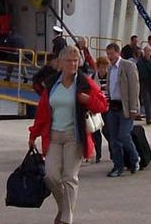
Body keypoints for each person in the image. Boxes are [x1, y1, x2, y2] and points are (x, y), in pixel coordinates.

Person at [28, 45, 108, 224]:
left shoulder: (84, 83)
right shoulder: (51, 84)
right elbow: (42, 113)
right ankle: (64, 209)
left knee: (69, 177)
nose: (73, 64)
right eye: (69, 61)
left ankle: (66, 219)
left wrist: (88, 100)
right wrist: (33, 135)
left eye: (76, 61)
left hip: (75, 136)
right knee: (51, 176)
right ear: (60, 63)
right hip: (54, 136)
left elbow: (103, 106)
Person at [104, 42, 141, 176]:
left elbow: (134, 87)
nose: (109, 56)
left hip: (125, 107)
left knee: (124, 135)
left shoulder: (128, 66)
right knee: (114, 139)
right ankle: (118, 166)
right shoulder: (110, 68)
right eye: (108, 54)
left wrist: (134, 108)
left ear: (118, 53)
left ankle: (135, 158)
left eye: (111, 53)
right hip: (113, 107)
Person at [136, 45, 151, 124]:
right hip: (143, 82)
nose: (147, 53)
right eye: (146, 51)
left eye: (149, 51)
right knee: (147, 100)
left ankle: (150, 114)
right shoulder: (140, 62)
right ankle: (148, 118)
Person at [93, 56, 111, 163]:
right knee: (95, 132)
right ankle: (98, 154)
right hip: (96, 108)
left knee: (107, 131)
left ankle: (113, 151)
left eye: (105, 67)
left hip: (107, 107)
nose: (103, 70)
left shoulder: (110, 77)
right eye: (101, 67)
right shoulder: (92, 77)